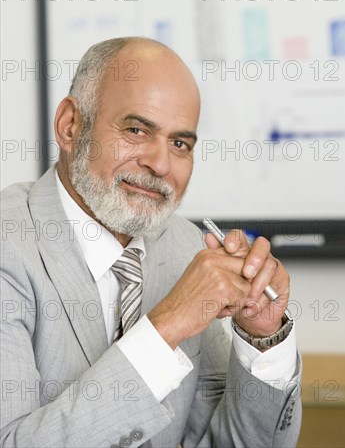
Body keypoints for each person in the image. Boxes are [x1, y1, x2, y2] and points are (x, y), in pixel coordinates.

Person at [1, 37, 301, 447]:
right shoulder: (8, 245)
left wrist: (261, 337)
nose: (160, 165)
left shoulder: (184, 245)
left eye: (180, 143)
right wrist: (167, 326)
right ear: (71, 125)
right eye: (137, 129)